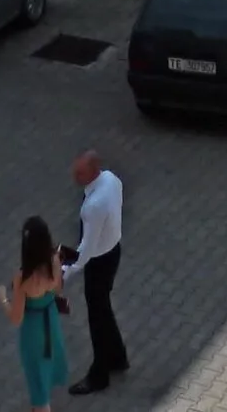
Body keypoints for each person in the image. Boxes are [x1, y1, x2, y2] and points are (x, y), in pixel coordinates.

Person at [60, 150, 127, 395]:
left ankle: (99, 375)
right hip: (113, 251)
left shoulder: (93, 206)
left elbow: (85, 252)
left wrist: (63, 275)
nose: (74, 176)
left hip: (98, 261)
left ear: (92, 171)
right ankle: (118, 357)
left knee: (97, 318)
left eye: (80, 173)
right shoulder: (112, 179)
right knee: (104, 309)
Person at [0, 213, 70, 410]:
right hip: (50, 321)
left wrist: (3, 298)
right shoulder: (54, 260)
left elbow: (16, 317)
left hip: (33, 332)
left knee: (37, 382)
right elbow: (57, 288)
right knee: (45, 369)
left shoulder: (23, 279)